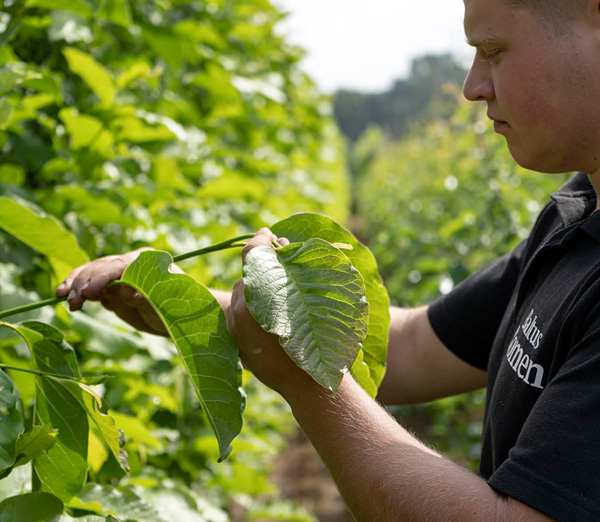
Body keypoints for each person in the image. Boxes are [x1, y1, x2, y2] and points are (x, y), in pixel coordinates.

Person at [56, 0, 600, 519]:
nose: (471, 87)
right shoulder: (574, 221)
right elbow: (409, 350)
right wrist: (188, 306)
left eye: (495, 51)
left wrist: (308, 387)